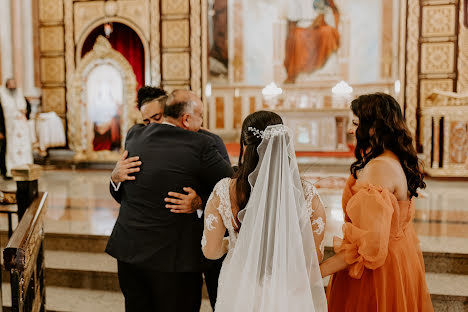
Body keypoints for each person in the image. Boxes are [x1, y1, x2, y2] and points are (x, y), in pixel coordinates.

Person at [106, 89, 233, 312]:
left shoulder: (134, 135)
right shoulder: (197, 144)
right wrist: (115, 177)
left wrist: (199, 202)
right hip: (168, 258)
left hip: (140, 250)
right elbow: (234, 189)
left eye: (156, 118)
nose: (152, 125)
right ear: (186, 117)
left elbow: (226, 189)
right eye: (147, 120)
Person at [201, 111, 328, 311]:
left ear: (245, 144)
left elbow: (210, 252)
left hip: (240, 285)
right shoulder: (308, 195)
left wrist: (237, 245)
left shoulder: (224, 191)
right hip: (287, 290)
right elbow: (313, 258)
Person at [321, 93, 434, 311]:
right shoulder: (392, 158)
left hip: (375, 271)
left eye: (355, 123)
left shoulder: (379, 168)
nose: (350, 130)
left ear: (373, 127)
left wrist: (317, 272)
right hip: (399, 256)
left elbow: (367, 246)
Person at [0, 78, 33, 178]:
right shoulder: (2, 96)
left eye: (14, 84)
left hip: (21, 127)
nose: (12, 87)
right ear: (7, 86)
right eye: (10, 85)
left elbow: (27, 107)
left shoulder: (19, 94)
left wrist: (25, 112)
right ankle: (8, 171)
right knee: (7, 150)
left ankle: (25, 168)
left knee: (24, 148)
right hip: (8, 129)